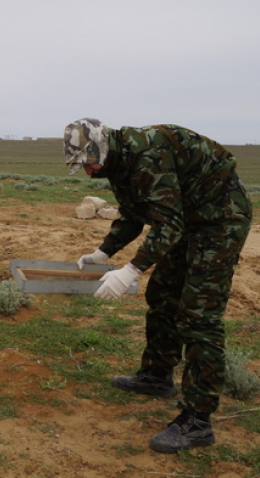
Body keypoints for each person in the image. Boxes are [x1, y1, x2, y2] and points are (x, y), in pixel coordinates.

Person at [64, 118, 252, 453]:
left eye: (88, 163)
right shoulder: (119, 163)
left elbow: (168, 223)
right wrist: (103, 252)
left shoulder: (148, 154)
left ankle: (197, 421)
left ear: (100, 149)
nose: (89, 172)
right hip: (185, 219)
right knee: (162, 294)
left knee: (199, 317)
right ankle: (157, 376)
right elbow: (134, 216)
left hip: (219, 220)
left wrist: (131, 270)